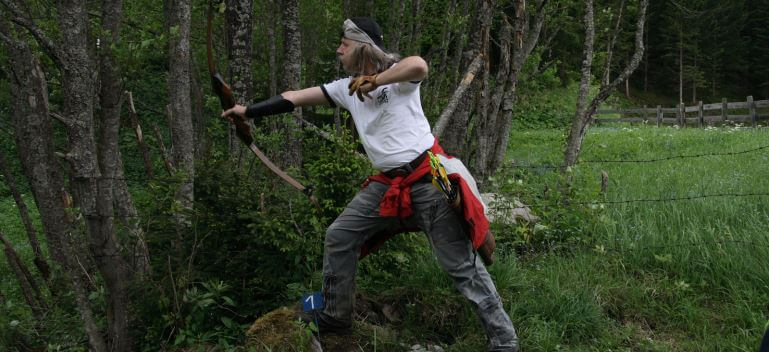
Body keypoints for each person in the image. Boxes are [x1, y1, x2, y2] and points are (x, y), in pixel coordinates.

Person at [222, 17, 519, 352]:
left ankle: (504, 341)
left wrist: (375, 80)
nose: (338, 50)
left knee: (461, 267)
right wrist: (247, 111)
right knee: (339, 235)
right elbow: (293, 97)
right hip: (387, 185)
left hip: (428, 180)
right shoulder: (345, 89)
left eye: (343, 44)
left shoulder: (397, 78)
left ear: (362, 45)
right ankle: (335, 314)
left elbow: (418, 65)